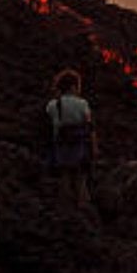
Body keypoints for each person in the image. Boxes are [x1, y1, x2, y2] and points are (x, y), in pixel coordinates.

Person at [46, 69, 96, 210]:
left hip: (60, 146)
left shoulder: (52, 105)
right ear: (73, 87)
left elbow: (50, 121)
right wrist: (94, 147)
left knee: (64, 176)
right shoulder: (82, 104)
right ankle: (83, 207)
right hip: (79, 146)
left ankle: (65, 208)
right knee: (81, 178)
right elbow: (90, 126)